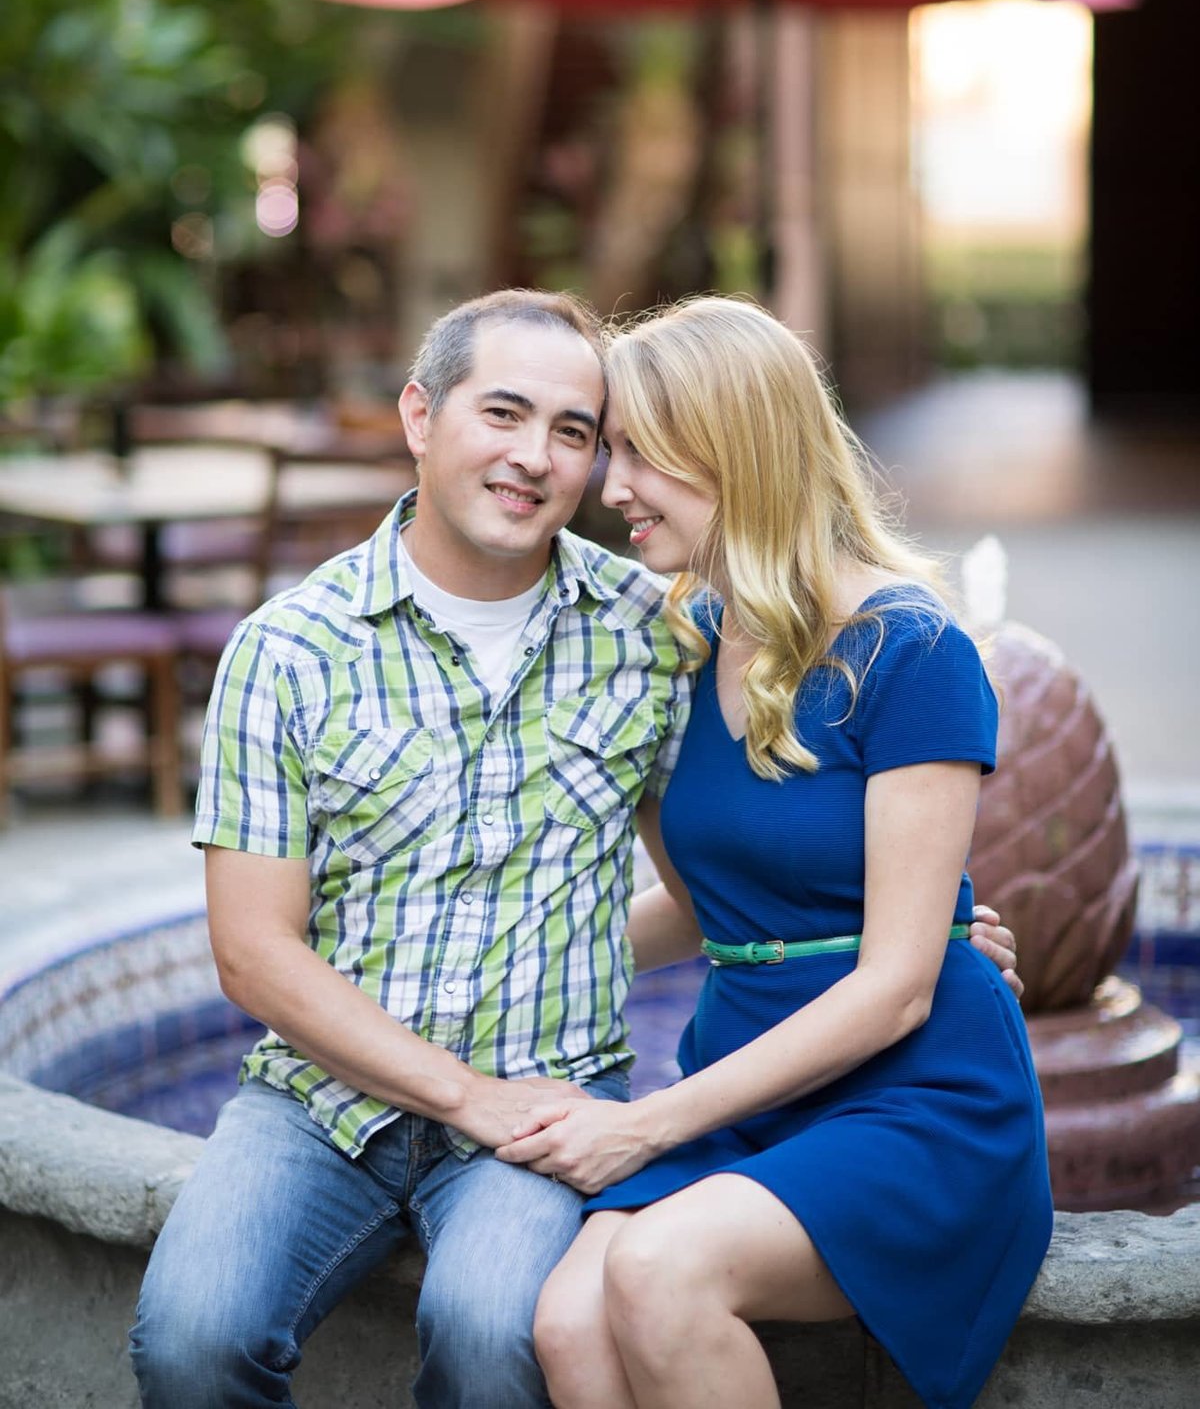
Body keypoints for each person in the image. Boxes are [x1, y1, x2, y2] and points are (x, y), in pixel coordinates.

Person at [130, 288, 1022, 1409]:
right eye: (506, 415)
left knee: (516, 1324)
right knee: (216, 1338)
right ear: (420, 415)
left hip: (666, 1089)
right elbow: (256, 953)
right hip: (343, 1098)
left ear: (725, 449)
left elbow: (815, 925)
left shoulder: (657, 632)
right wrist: (884, 937)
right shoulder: (309, 648)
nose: (585, 478)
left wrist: (910, 938)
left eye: (594, 439)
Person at [501, 297, 1053, 1409]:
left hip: (915, 1093)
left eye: (639, 456)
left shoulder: (914, 651)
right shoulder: (686, 638)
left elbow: (897, 986)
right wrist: (518, 959)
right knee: (564, 1322)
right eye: (611, 452)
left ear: (733, 450)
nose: (609, 489)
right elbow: (713, 910)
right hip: (749, 1077)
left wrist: (643, 1124)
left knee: (659, 1274)